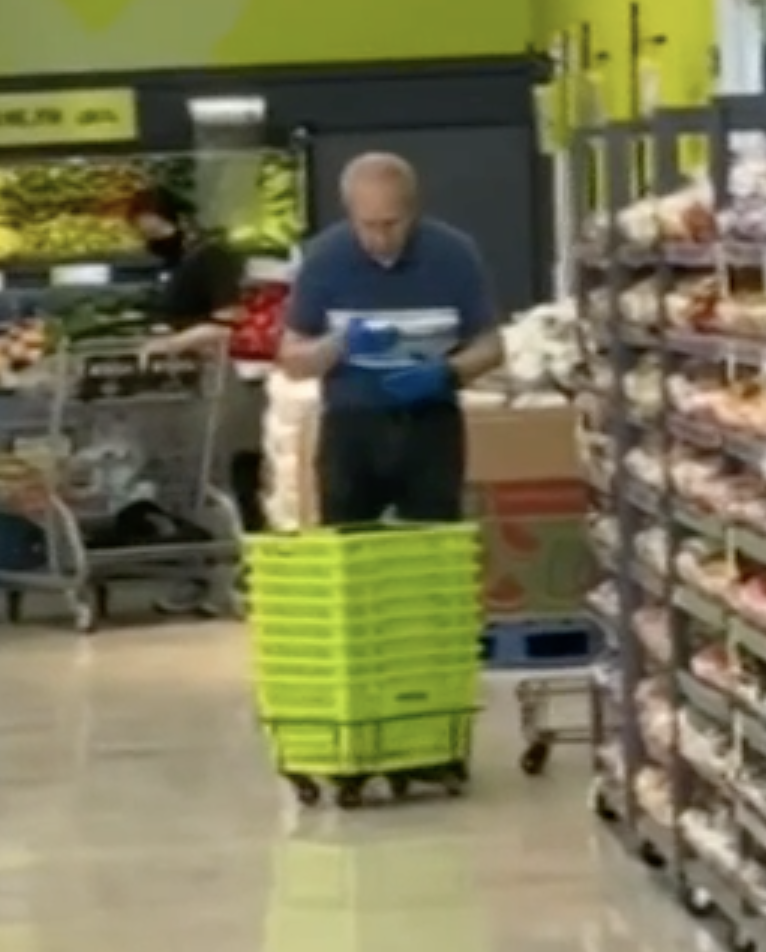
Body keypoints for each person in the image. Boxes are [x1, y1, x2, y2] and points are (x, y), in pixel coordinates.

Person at [279, 152, 503, 524]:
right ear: (349, 213)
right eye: (367, 225)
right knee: (350, 547)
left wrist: (446, 373)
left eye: (392, 224)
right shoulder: (323, 259)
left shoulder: (455, 255)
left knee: (433, 546)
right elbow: (291, 359)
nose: (380, 238)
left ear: (413, 211)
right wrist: (340, 345)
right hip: (352, 428)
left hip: (431, 428)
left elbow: (491, 347)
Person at [127, 187, 259, 614]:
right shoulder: (177, 264)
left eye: (154, 226)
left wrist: (173, 343)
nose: (149, 236)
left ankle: (239, 577)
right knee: (184, 482)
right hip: (182, 391)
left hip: (218, 385)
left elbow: (229, 323)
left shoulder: (213, 258)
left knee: (220, 481)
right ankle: (196, 577)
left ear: (175, 218)